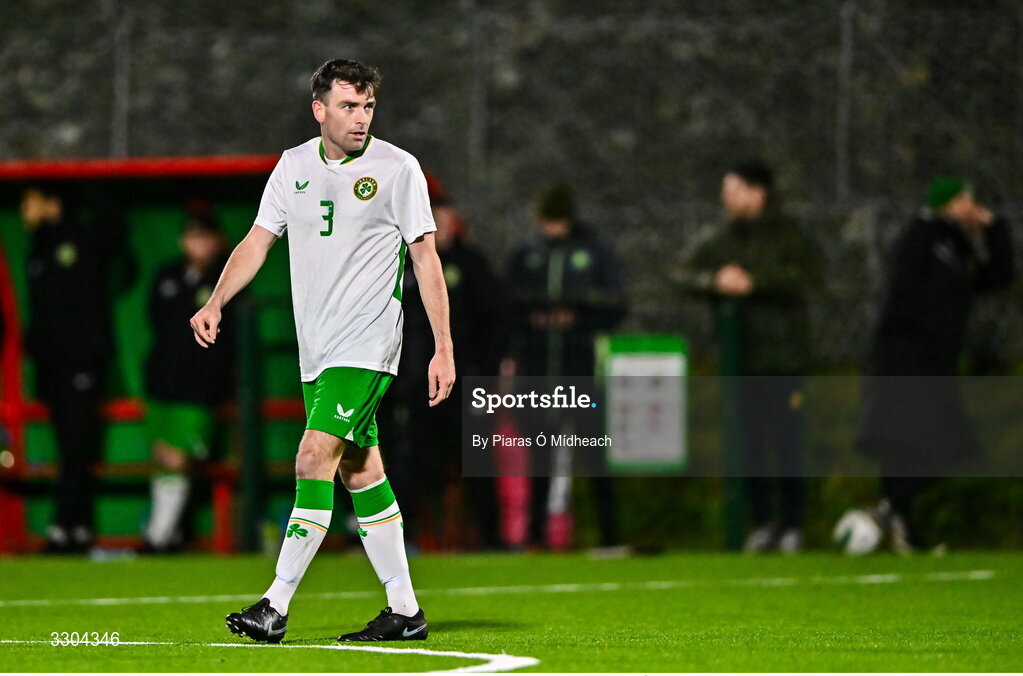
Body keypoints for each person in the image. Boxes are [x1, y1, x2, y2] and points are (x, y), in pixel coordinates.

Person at [190, 58, 453, 644]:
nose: (360, 118)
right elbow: (258, 240)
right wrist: (215, 302)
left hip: (369, 342)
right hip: (319, 348)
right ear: (320, 109)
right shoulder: (292, 167)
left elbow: (426, 258)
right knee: (362, 470)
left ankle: (274, 604)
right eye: (348, 106)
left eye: (367, 107)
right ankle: (405, 611)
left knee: (313, 458)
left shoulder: (397, 169)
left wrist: (443, 347)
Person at [857, 178, 1013, 552]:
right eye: (963, 199)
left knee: (941, 447)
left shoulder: (957, 245)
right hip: (904, 363)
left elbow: (997, 277)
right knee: (907, 445)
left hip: (934, 364)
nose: (970, 205)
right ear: (947, 202)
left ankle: (892, 513)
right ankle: (900, 524)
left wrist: (996, 230)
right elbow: (905, 300)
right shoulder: (917, 238)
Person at [682, 161, 823, 553]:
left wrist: (756, 283)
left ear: (757, 192)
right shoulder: (722, 239)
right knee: (750, 446)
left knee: (788, 443)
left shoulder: (789, 236)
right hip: (740, 360)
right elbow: (682, 272)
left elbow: (812, 276)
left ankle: (792, 526)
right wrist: (713, 281)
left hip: (784, 359)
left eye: (734, 190)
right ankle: (762, 524)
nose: (727, 199)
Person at [382, 174, 504, 550]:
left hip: (467, 381)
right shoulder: (405, 267)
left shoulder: (472, 267)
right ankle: (406, 537)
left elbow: (496, 322)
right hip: (419, 383)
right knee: (412, 460)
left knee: (476, 459)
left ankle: (490, 538)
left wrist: (488, 372)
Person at [506, 184, 626, 550]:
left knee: (593, 451)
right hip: (538, 373)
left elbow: (616, 303)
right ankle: (537, 535)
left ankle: (609, 535)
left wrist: (578, 314)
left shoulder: (593, 252)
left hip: (582, 372)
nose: (551, 230)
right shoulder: (526, 254)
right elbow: (506, 303)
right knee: (540, 454)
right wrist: (533, 319)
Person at [21, 184, 115, 554]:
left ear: (52, 201)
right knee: (69, 447)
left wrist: (88, 186)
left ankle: (65, 527)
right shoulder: (38, 248)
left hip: (81, 363)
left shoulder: (82, 238)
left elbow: (114, 229)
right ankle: (74, 529)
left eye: (30, 201)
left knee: (78, 448)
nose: (23, 210)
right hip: (52, 367)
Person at [142, 210, 233, 553]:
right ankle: (164, 533)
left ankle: (158, 538)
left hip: (199, 390)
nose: (197, 242)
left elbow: (228, 342)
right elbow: (154, 321)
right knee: (160, 454)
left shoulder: (225, 281)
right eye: (191, 234)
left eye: (204, 235)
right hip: (163, 383)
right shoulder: (167, 275)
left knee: (176, 457)